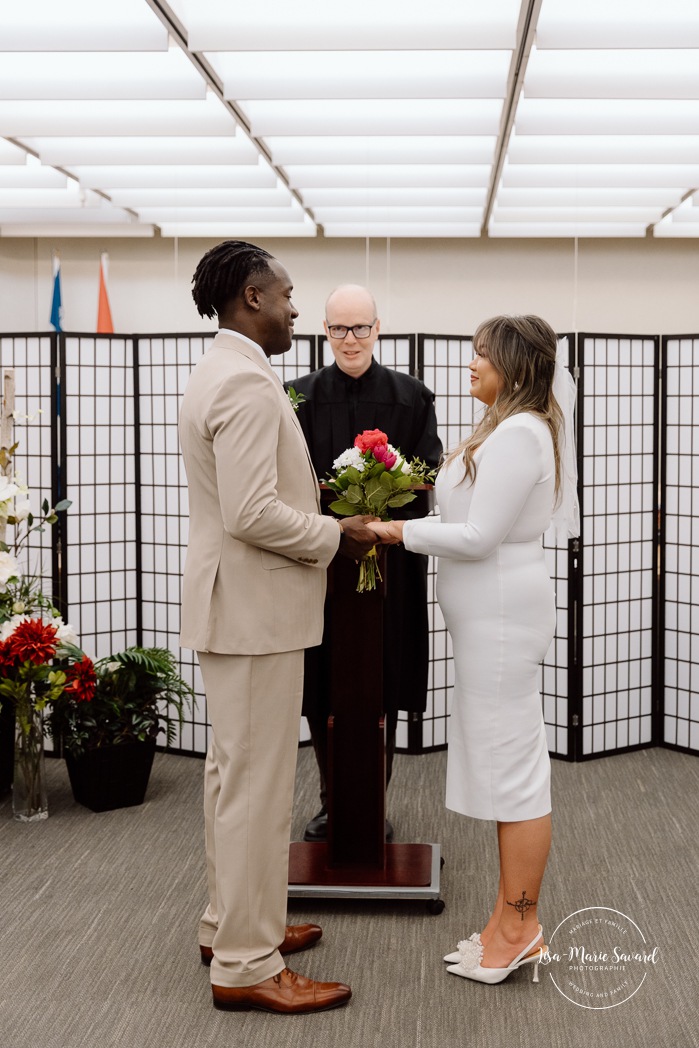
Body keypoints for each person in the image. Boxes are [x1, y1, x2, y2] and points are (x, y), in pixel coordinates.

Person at [179, 242, 377, 1013]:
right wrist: (337, 532)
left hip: (235, 607)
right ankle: (247, 965)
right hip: (254, 613)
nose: (298, 309)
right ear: (252, 297)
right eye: (289, 295)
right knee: (256, 789)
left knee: (232, 778)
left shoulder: (219, 370)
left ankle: (230, 922)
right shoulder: (248, 386)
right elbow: (252, 512)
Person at [369, 315, 579, 985]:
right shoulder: (502, 429)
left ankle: (520, 926)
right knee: (504, 768)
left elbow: (480, 536)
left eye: (481, 356)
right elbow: (463, 521)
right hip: (487, 617)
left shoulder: (519, 434)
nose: (470, 365)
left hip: (501, 617)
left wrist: (394, 533)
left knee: (515, 774)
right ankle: (506, 923)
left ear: (513, 367)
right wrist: (395, 520)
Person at [286, 284, 442, 842]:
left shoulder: (411, 397)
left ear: (378, 328)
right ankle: (332, 800)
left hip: (389, 569)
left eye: (361, 328)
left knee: (384, 674)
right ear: (324, 332)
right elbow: (286, 485)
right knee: (321, 679)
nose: (350, 340)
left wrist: (377, 520)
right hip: (320, 564)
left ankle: (372, 800)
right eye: (338, 329)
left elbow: (426, 481)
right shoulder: (296, 398)